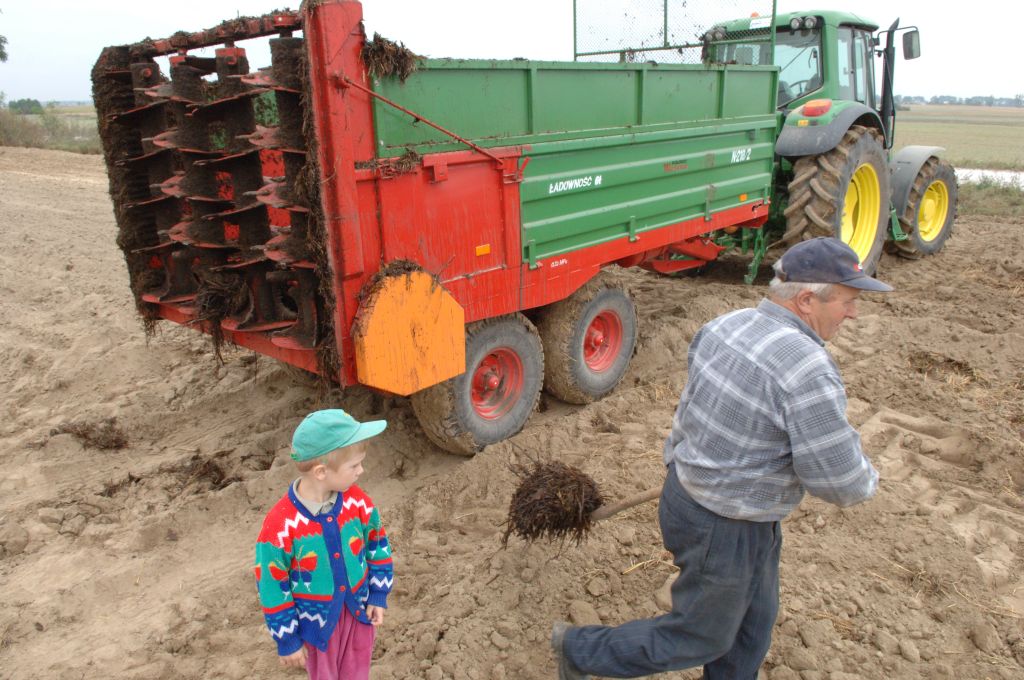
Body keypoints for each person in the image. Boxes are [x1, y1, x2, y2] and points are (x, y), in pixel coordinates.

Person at [552, 237, 889, 679]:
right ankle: (579, 650)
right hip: (724, 523)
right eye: (848, 301)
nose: (854, 312)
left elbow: (691, 409)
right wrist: (867, 479)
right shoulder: (806, 367)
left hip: (693, 498)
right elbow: (837, 479)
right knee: (700, 635)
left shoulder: (726, 325)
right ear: (807, 299)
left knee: (754, 620)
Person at [255, 409, 394, 680]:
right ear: (321, 471)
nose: (361, 470)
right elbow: (272, 585)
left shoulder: (357, 502)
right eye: (354, 466)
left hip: (358, 613)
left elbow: (377, 545)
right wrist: (287, 639)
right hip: (317, 627)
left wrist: (378, 594)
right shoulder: (280, 525)